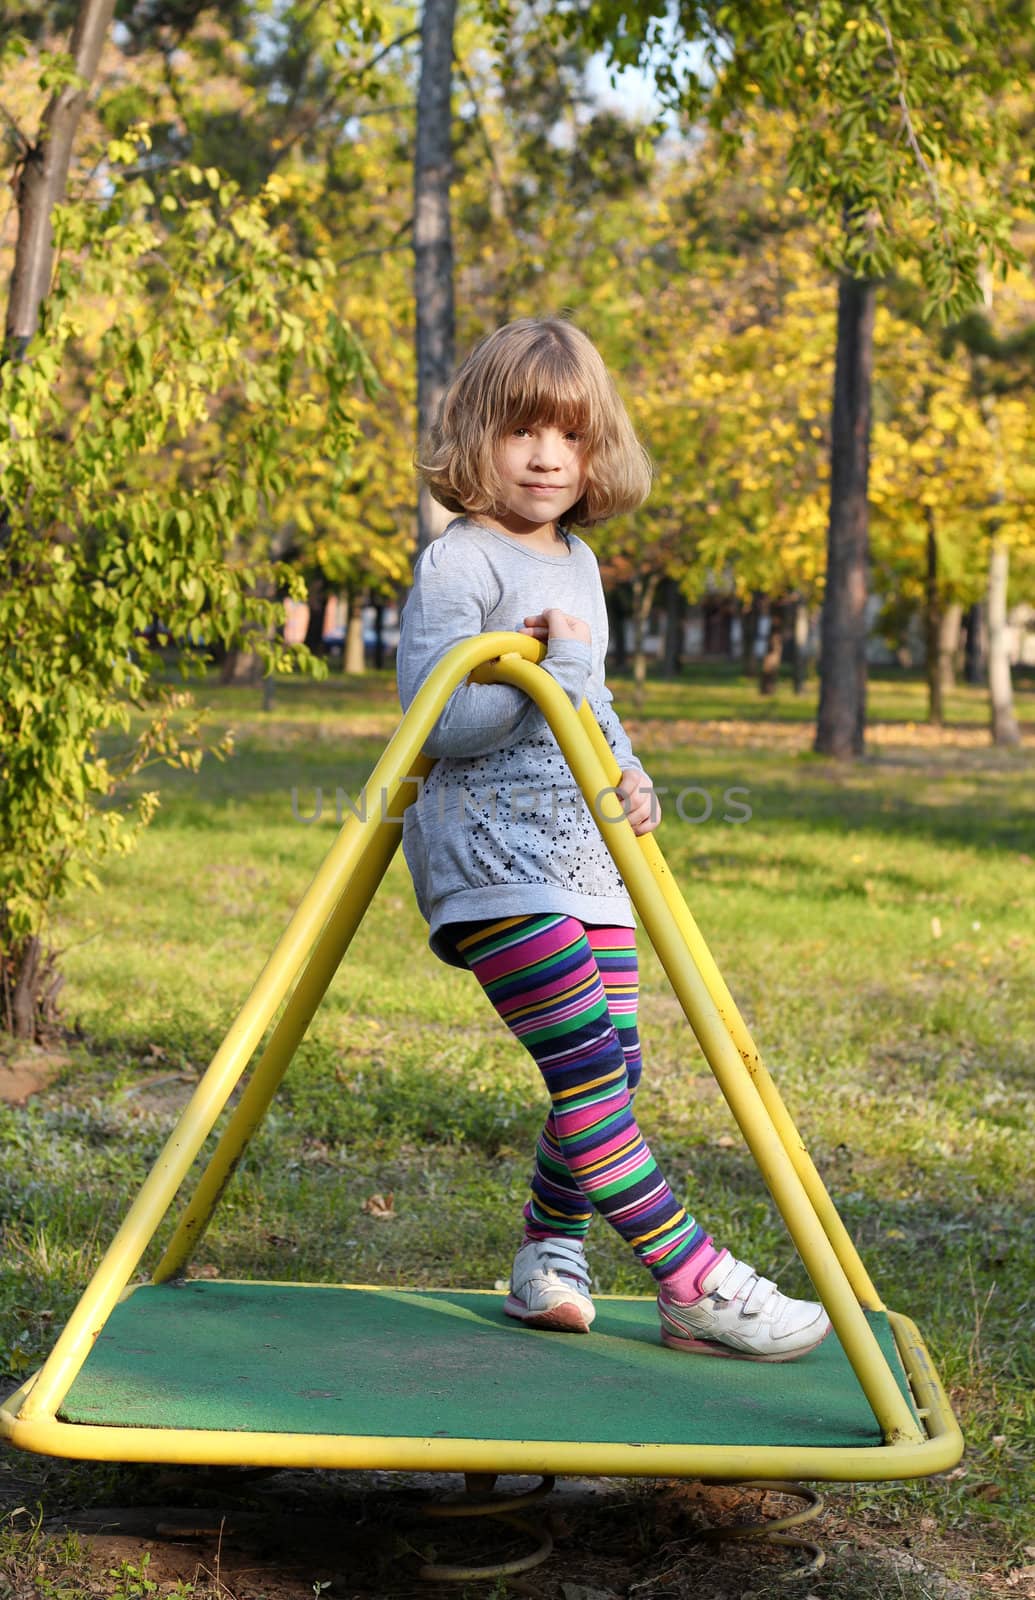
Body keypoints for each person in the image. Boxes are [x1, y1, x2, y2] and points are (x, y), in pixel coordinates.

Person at [396, 316, 830, 1362]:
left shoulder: (580, 562)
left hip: (584, 856)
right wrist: (543, 668)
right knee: (588, 1063)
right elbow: (439, 724)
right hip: (491, 858)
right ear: (475, 437)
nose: (547, 456)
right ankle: (694, 1278)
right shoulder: (459, 564)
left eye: (570, 437)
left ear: (596, 453)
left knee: (613, 1069)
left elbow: (593, 702)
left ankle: (550, 1250)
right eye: (521, 432)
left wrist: (626, 764)